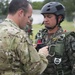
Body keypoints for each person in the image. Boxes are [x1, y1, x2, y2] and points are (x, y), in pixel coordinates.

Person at [0, 0, 49, 75]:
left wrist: (28, 49)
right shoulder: (19, 35)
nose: (28, 21)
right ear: (21, 13)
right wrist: (42, 54)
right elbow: (35, 69)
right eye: (28, 17)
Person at [35, 2, 75, 75]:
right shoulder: (39, 36)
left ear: (59, 18)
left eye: (49, 17)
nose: (45, 20)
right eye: (44, 17)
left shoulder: (68, 39)